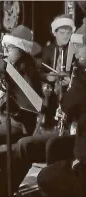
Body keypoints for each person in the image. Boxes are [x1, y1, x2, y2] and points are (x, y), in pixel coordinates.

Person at [0, 25, 43, 196]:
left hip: (21, 123)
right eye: (5, 48)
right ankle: (1, 171)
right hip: (6, 118)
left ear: (22, 50)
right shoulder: (9, 67)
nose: (6, 52)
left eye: (10, 48)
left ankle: (0, 174)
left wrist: (1, 94)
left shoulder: (27, 70)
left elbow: (28, 104)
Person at [37, 17, 86, 197]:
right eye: (62, 32)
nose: (78, 50)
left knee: (46, 175)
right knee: (55, 145)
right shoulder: (49, 50)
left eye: (81, 46)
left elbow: (70, 103)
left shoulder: (80, 68)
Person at [40, 14, 76, 129]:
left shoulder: (75, 52)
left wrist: (70, 81)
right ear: (54, 33)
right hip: (50, 93)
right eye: (62, 33)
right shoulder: (46, 51)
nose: (66, 36)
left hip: (68, 92)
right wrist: (47, 77)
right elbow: (39, 73)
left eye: (68, 33)